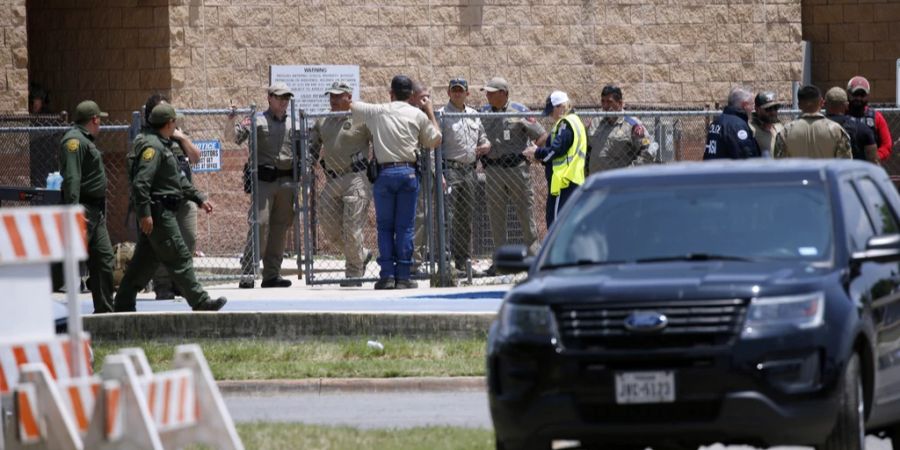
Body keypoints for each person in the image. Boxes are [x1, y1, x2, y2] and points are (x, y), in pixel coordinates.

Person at [113, 103, 226, 312]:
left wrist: (199, 199)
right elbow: (141, 183)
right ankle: (200, 301)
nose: (177, 125)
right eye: (175, 121)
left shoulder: (161, 143)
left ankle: (122, 302)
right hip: (159, 213)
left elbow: (177, 181)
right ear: (168, 124)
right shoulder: (153, 148)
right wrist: (145, 214)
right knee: (180, 256)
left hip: (161, 211)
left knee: (142, 263)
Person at [350, 75, 442, 290]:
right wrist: (429, 110)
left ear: (390, 93)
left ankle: (387, 276)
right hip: (408, 173)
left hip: (385, 174)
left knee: (384, 227)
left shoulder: (378, 110)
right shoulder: (416, 115)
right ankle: (403, 276)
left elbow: (350, 104)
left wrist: (348, 100)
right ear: (411, 95)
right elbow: (436, 139)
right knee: (405, 227)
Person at [137, 94, 204, 300]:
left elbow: (195, 158)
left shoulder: (176, 136)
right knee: (162, 244)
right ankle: (163, 284)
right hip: (162, 199)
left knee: (188, 238)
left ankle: (179, 283)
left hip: (184, 197)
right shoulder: (148, 139)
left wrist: (182, 137)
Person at [309, 81, 373, 287]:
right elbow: (312, 148)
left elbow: (379, 142)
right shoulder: (322, 121)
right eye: (331, 96)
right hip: (333, 179)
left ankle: (353, 274)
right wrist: (306, 168)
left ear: (349, 97)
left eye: (338, 96)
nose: (333, 100)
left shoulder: (361, 118)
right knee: (330, 228)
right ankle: (360, 254)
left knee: (352, 228)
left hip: (357, 178)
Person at [235, 82, 297, 289]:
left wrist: (303, 180)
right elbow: (235, 138)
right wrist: (231, 120)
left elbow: (303, 152)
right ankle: (248, 272)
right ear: (269, 97)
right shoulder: (256, 120)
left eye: (286, 98)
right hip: (264, 181)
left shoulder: (294, 122)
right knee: (259, 224)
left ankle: (272, 274)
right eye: (279, 97)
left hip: (287, 182)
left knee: (280, 228)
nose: (283, 102)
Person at [479, 77, 547, 265]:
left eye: (492, 92)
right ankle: (501, 262)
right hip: (493, 170)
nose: (488, 96)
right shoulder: (484, 113)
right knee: (496, 217)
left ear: (504, 93)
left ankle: (534, 260)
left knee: (526, 215)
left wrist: (533, 151)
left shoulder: (519, 111)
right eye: (487, 92)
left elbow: (542, 135)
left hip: (517, 169)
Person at [58, 100, 114, 313]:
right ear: (94, 119)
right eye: (100, 119)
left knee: (104, 258)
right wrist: (74, 212)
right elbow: (72, 178)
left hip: (95, 212)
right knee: (64, 262)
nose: (100, 124)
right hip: (83, 209)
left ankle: (105, 312)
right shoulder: (74, 141)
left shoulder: (84, 139)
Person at [439, 78, 491, 275]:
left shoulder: (474, 115)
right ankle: (446, 262)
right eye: (454, 90)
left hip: (470, 171)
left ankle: (463, 262)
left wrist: (486, 145)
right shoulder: (443, 115)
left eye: (461, 90)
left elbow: (483, 138)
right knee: (448, 217)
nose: (457, 93)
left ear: (467, 93)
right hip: (449, 170)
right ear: (449, 92)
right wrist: (440, 174)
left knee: (465, 216)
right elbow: (436, 145)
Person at [523, 91, 586, 227]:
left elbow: (556, 150)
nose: (551, 115)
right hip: (571, 180)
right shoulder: (575, 121)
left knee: (556, 226)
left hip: (564, 182)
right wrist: (542, 159)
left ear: (560, 107)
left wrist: (537, 152)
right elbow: (562, 154)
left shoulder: (566, 123)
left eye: (551, 111)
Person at [586, 84, 657, 174]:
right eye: (603, 101)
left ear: (619, 103)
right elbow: (588, 146)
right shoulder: (596, 122)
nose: (605, 106)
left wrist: (630, 173)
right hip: (596, 182)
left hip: (618, 184)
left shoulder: (632, 125)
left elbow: (649, 150)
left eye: (609, 102)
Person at [774, 85, 851, 160]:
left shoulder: (785, 132)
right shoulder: (837, 131)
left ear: (799, 105)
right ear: (821, 102)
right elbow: (845, 165)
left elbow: (779, 165)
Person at [703, 86, 761, 160]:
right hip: (728, 170)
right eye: (752, 104)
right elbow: (745, 157)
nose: (753, 108)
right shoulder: (737, 126)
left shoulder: (716, 123)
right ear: (745, 105)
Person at [824, 87, 878, 163]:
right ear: (846, 105)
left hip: (823, 173)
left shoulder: (814, 129)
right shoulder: (863, 129)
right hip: (854, 172)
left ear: (824, 104)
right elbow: (873, 160)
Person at [847, 76, 892, 161]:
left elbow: (887, 145)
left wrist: (876, 157)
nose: (859, 98)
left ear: (868, 96)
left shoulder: (876, 117)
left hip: (869, 165)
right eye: (855, 94)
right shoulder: (841, 114)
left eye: (862, 95)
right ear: (849, 94)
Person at [749, 91, 784, 158]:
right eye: (768, 109)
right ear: (757, 109)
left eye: (775, 107)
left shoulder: (779, 127)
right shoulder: (751, 130)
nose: (773, 112)